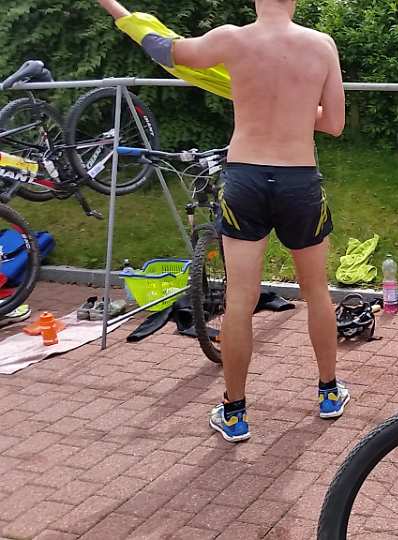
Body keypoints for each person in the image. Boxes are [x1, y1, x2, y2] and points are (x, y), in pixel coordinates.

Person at [97, 0, 348, 442]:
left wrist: (115, 8)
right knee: (316, 292)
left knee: (239, 299)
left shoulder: (232, 39)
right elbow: (334, 124)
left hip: (246, 178)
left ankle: (234, 413)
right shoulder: (321, 45)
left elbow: (163, 48)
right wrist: (294, 105)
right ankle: (328, 393)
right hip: (298, 180)